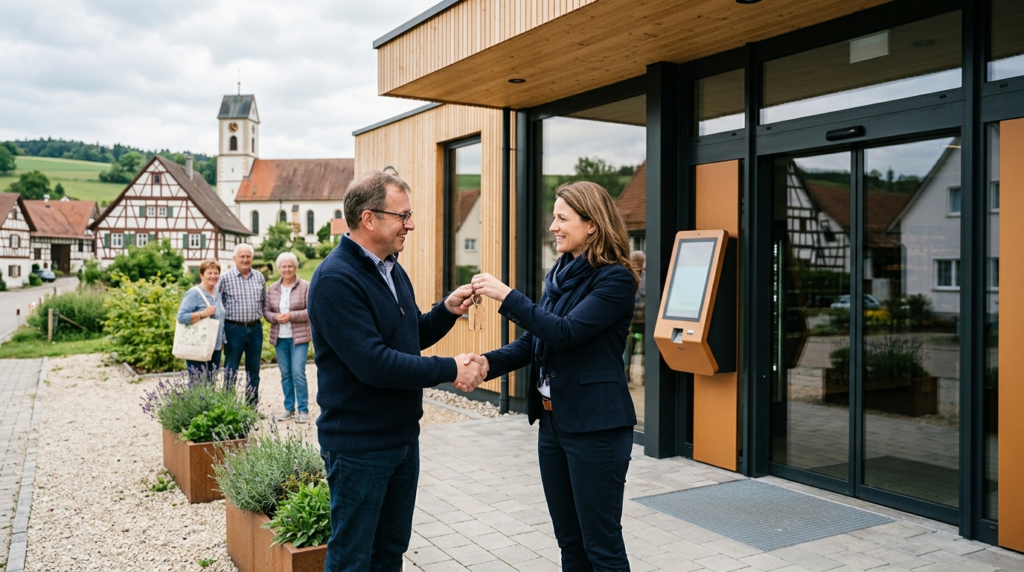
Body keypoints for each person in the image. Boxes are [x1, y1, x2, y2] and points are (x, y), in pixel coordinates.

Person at [308, 170, 488, 571]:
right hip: (359, 448)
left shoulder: (390, 267)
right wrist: (451, 367)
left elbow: (406, 337)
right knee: (353, 557)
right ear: (369, 219)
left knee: (390, 551)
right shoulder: (336, 279)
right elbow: (376, 364)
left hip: (402, 441)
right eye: (402, 215)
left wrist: (445, 311)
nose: (410, 224)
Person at [470, 180, 638, 571]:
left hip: (597, 428)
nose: (553, 226)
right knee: (570, 543)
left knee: (602, 546)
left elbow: (565, 332)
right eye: (553, 217)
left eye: (562, 218)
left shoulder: (615, 279)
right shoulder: (562, 272)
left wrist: (506, 295)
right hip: (555, 423)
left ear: (591, 224)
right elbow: (536, 341)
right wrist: (485, 364)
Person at [264, 251, 311, 423]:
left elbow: (310, 311)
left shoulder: (305, 286)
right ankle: (289, 408)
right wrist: (275, 317)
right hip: (280, 337)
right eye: (284, 266)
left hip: (299, 337)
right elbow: (266, 311)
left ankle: (303, 409)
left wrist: (291, 315)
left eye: (290, 266)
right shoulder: (273, 288)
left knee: (298, 372)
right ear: (278, 269)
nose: (287, 269)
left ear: (296, 267)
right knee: (285, 374)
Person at [218, 243, 266, 405]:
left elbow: (263, 302)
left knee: (254, 370)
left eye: (248, 256)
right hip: (233, 329)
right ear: (234, 258)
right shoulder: (225, 278)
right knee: (230, 370)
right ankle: (228, 406)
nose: (245, 260)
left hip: (255, 329)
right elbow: (218, 307)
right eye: (242, 256)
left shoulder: (259, 277)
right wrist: (222, 335)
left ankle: (251, 407)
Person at [176, 259, 226, 379]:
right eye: (209, 273)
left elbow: (221, 318)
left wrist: (223, 340)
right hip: (198, 345)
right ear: (201, 275)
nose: (213, 276)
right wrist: (202, 314)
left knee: (211, 383)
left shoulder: (217, 294)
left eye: (216, 273)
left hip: (216, 346)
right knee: (197, 385)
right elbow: (181, 317)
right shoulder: (194, 293)